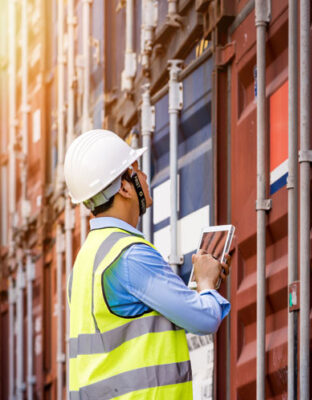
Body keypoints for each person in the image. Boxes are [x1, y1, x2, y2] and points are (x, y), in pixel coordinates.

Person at [64, 129, 230, 399]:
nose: (144, 176)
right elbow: (205, 319)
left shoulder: (85, 261)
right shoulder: (130, 255)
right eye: (137, 170)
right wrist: (206, 282)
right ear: (124, 187)